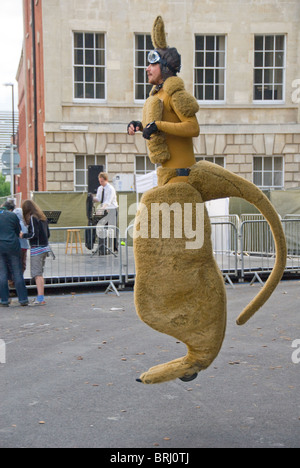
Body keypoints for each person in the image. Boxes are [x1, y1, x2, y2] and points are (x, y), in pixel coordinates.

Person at [21, 200, 50, 306]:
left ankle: (40, 297)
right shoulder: (42, 217)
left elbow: (34, 234)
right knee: (40, 274)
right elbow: (48, 233)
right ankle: (40, 296)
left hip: (36, 248)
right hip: (44, 247)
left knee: (37, 275)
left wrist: (23, 235)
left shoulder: (33, 218)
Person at [0, 200, 28, 307]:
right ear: (11, 209)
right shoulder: (12, 216)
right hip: (12, 246)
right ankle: (23, 299)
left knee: (2, 274)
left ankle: (4, 300)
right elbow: (18, 231)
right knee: (17, 272)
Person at [93, 172, 118, 251]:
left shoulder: (111, 189)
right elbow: (99, 199)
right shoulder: (100, 188)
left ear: (106, 180)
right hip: (104, 210)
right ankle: (103, 246)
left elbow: (108, 201)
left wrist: (101, 209)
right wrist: (91, 198)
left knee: (112, 229)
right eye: (100, 181)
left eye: (102, 181)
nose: (101, 183)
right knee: (103, 228)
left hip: (112, 209)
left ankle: (114, 248)